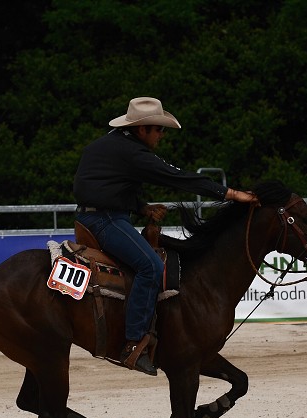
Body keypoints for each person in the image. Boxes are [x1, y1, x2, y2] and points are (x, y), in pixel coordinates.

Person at [73, 97, 257, 376]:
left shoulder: (113, 144)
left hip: (103, 215)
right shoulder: (132, 152)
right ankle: (133, 343)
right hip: (105, 220)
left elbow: (103, 183)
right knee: (151, 267)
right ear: (142, 129)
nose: (161, 135)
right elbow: (177, 177)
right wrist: (230, 194)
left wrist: (141, 207)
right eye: (158, 129)